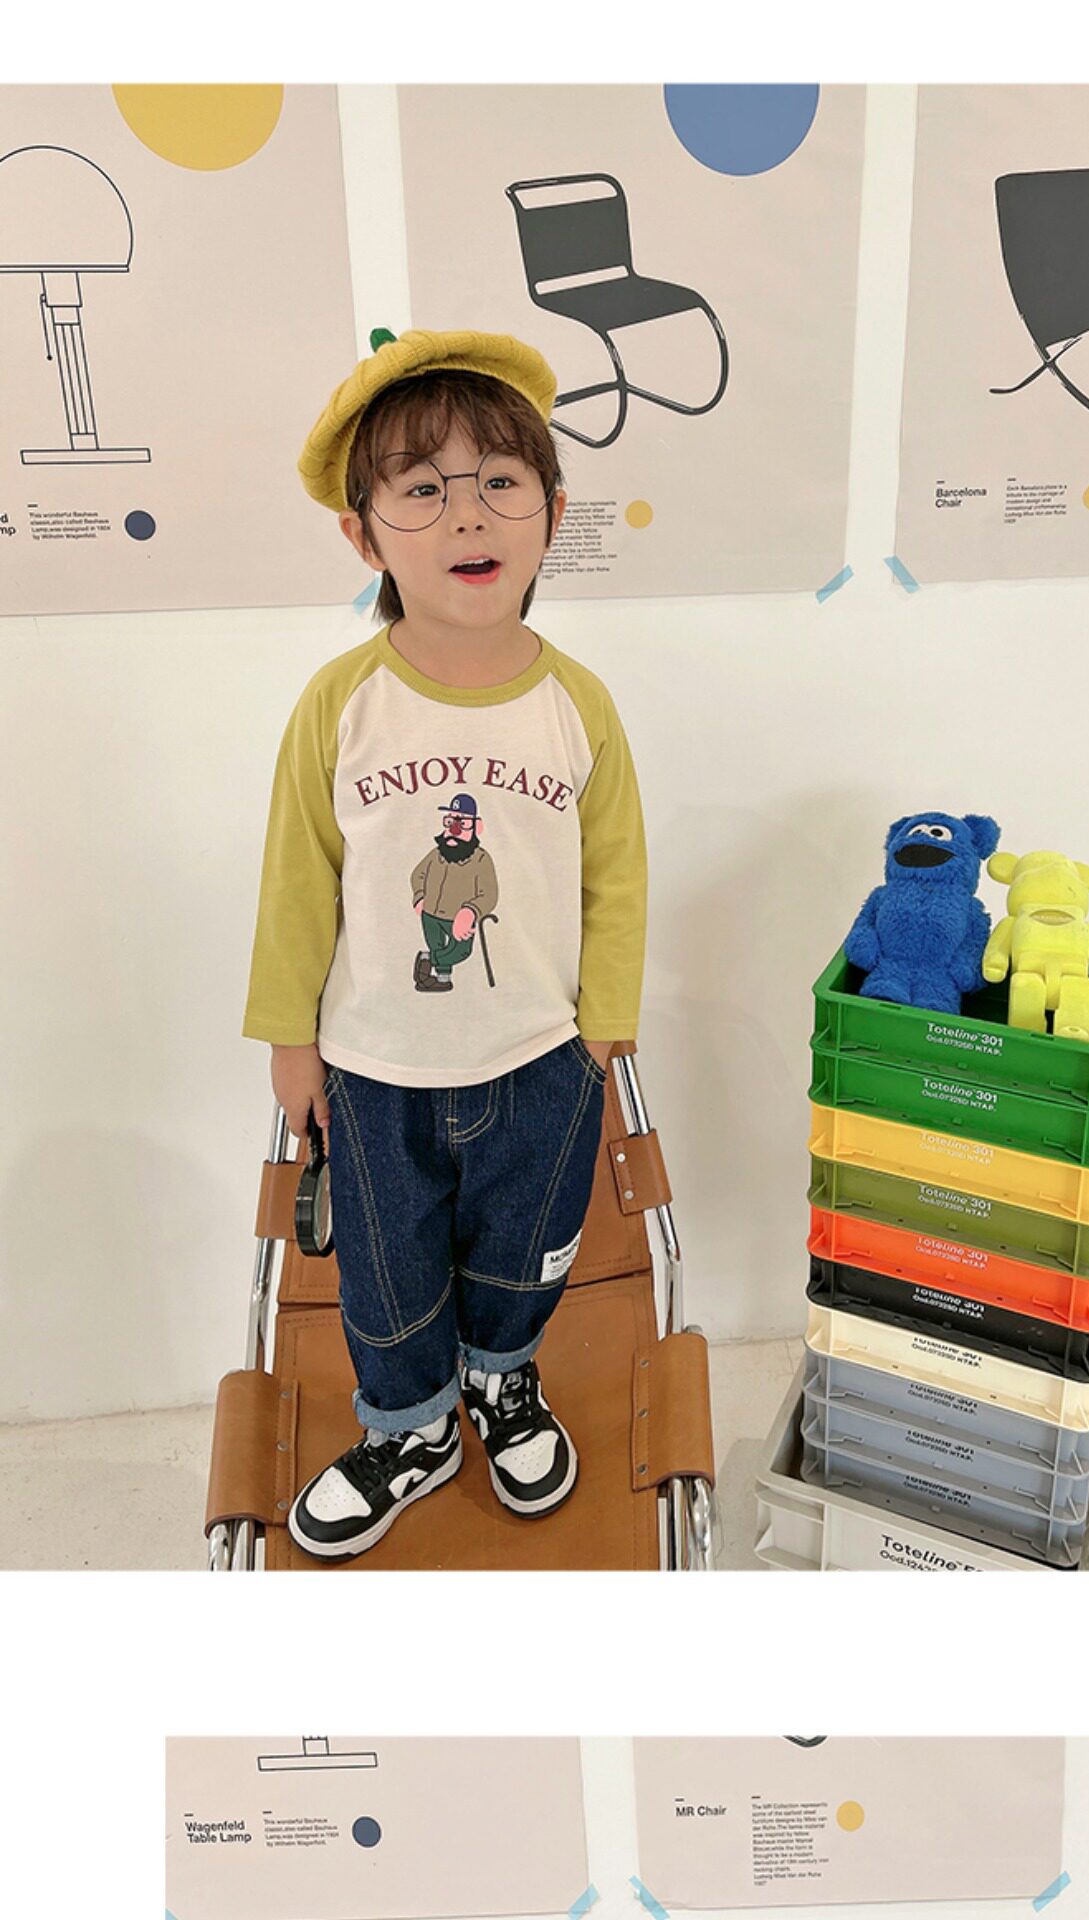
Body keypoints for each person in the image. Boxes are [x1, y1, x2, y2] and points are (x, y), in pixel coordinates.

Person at [242, 328, 646, 1560]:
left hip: (539, 1059)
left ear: (552, 513)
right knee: (385, 1269)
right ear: (363, 536)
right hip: (374, 1069)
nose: (466, 513)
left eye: (500, 481)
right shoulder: (341, 704)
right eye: (420, 488)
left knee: (523, 1254)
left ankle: (501, 1379)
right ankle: (412, 1425)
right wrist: (290, 1039)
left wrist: (602, 1030)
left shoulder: (577, 704)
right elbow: (296, 878)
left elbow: (616, 876)